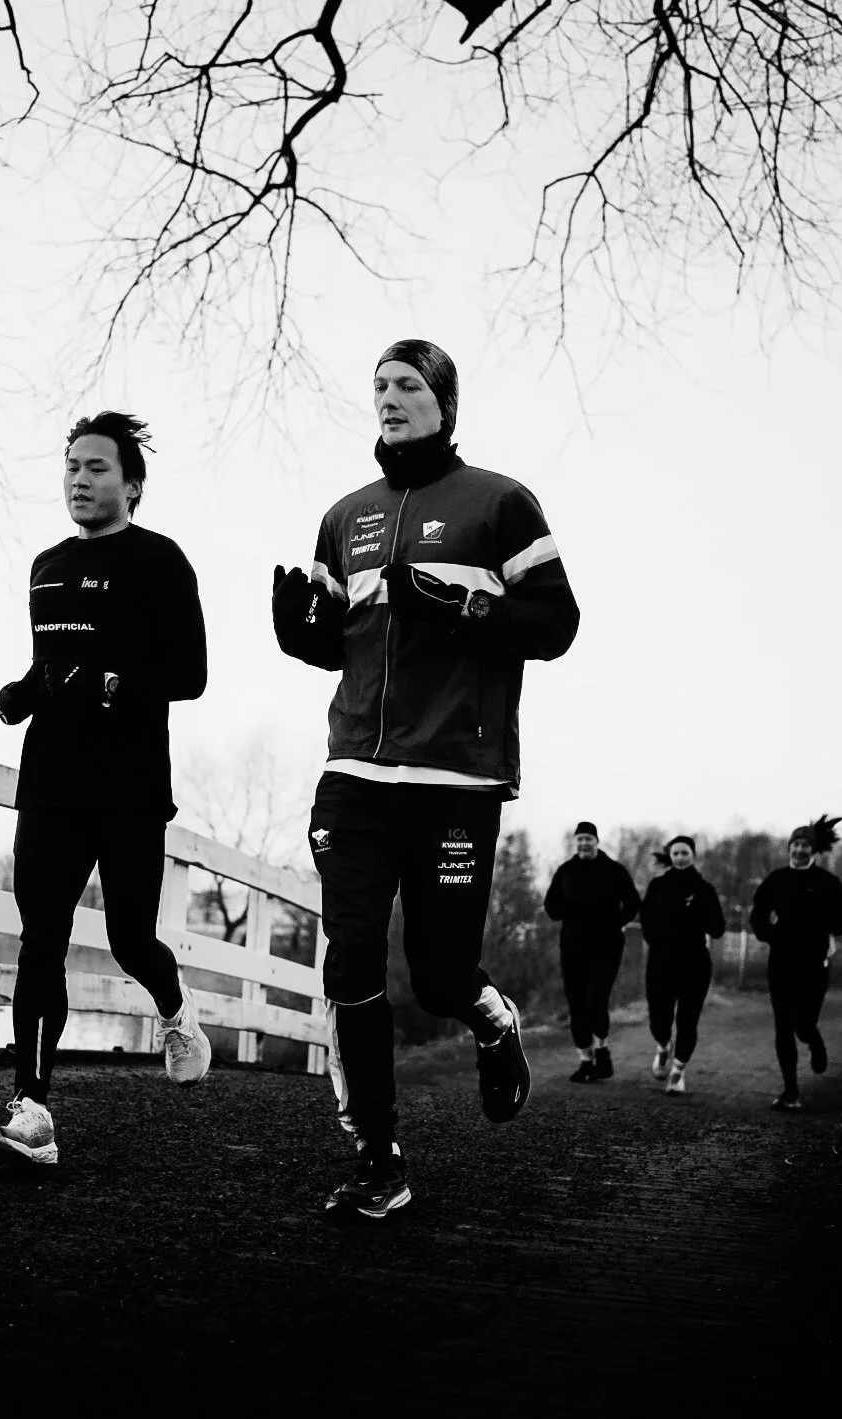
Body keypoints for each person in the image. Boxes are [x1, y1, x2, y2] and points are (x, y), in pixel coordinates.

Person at [272, 338, 579, 1218]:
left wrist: (470, 606)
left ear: (446, 402)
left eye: (408, 385)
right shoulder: (346, 517)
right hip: (356, 775)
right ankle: (378, 1155)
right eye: (379, 386)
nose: (390, 397)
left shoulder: (501, 504)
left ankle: (490, 1019)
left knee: (441, 975)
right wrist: (299, 628)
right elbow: (335, 642)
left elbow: (557, 621)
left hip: (456, 777)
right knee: (353, 956)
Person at [0, 411, 210, 1168]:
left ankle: (174, 1013)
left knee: (129, 940)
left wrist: (116, 683)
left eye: (97, 468)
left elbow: (192, 675)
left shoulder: (161, 562)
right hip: (50, 784)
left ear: (132, 485)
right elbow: (49, 664)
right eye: (72, 466)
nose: (79, 478)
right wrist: (22, 691)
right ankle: (32, 1110)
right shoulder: (46, 565)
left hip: (130, 788)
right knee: (39, 940)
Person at [749, 816, 842, 1112]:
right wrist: (769, 934)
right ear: (789, 848)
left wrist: (821, 925)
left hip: (814, 962)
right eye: (795, 844)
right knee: (783, 1026)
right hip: (781, 962)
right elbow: (758, 913)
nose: (799, 850)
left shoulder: (827, 883)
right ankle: (790, 1091)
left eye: (805, 845)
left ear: (813, 850)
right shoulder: (776, 880)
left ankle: (815, 1040)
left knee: (804, 1023)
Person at [544, 823, 640, 1082]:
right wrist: (566, 909)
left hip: (606, 946)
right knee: (576, 1004)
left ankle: (602, 1049)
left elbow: (633, 902)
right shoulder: (566, 871)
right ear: (575, 842)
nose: (584, 843)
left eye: (588, 839)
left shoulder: (614, 871)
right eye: (580, 839)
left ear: (597, 841)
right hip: (573, 946)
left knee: (596, 1000)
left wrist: (616, 923)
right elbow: (551, 905)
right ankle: (586, 1061)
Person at [640, 836, 726, 1094]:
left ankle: (678, 1071)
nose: (680, 857)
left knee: (687, 1020)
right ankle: (664, 1046)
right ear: (670, 856)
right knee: (659, 1019)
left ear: (693, 855)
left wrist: (699, 912)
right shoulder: (658, 885)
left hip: (694, 964)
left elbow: (718, 928)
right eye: (675, 853)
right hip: (661, 963)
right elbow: (646, 920)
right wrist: (657, 940)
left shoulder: (705, 889)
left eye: (684, 852)